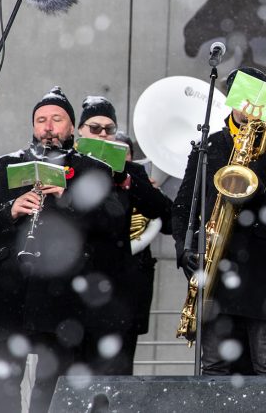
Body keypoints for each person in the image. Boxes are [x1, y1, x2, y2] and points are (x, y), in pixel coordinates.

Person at [0, 87, 157, 413]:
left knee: (53, 385)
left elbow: (112, 224)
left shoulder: (93, 169)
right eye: (41, 120)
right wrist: (10, 209)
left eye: (56, 119)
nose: (48, 127)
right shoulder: (4, 165)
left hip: (59, 293)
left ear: (72, 127)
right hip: (9, 290)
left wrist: (68, 197)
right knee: (2, 385)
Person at [172, 67, 266, 376]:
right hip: (217, 267)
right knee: (214, 365)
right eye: (241, 97)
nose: (248, 106)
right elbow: (182, 206)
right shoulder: (210, 147)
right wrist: (183, 247)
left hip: (264, 274)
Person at [75, 96, 173, 374]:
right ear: (80, 131)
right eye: (95, 129)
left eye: (110, 129)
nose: (103, 134)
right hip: (75, 287)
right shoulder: (70, 166)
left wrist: (128, 181)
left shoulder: (131, 171)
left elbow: (165, 214)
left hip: (117, 287)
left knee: (116, 375)